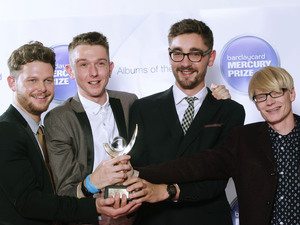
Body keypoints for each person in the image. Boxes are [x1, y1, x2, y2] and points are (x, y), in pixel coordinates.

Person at [130, 66, 299, 225]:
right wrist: (138, 172)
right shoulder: (244, 139)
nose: (269, 102)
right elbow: (197, 165)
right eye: (261, 96)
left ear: (291, 94)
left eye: (276, 93)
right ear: (256, 103)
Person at [0, 41, 139, 225]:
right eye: (32, 80)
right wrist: (95, 206)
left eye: (48, 80)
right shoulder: (6, 130)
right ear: (12, 83)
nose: (42, 88)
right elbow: (29, 202)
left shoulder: (35, 131)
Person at [127, 18, 245, 225]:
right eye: (178, 53)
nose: (185, 62)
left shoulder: (230, 111)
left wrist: (168, 190)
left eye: (195, 54)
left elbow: (218, 177)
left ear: (210, 57)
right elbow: (137, 170)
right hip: (154, 219)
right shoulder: (142, 108)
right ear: (170, 56)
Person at [43, 32, 138, 224]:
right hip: (87, 218)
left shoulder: (130, 102)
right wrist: (93, 182)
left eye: (101, 63)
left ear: (110, 68)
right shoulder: (59, 118)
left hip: (133, 214)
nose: (93, 73)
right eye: (84, 64)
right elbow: (65, 191)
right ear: (70, 71)